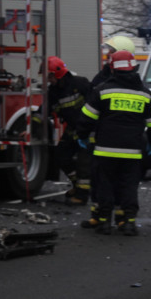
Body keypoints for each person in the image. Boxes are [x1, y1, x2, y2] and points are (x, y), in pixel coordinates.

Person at [77, 50, 151, 235]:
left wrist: (82, 136)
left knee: (105, 186)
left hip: (104, 150)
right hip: (132, 152)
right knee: (129, 187)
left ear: (113, 69)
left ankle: (104, 223)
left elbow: (86, 119)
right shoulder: (145, 94)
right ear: (134, 68)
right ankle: (129, 223)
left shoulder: (102, 91)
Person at [45, 56, 93, 205]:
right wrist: (32, 124)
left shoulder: (80, 83)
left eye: (50, 76)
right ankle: (77, 185)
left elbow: (95, 104)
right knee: (61, 155)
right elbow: (44, 110)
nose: (48, 79)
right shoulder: (54, 91)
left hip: (88, 129)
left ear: (58, 73)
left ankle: (82, 195)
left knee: (83, 162)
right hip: (73, 129)